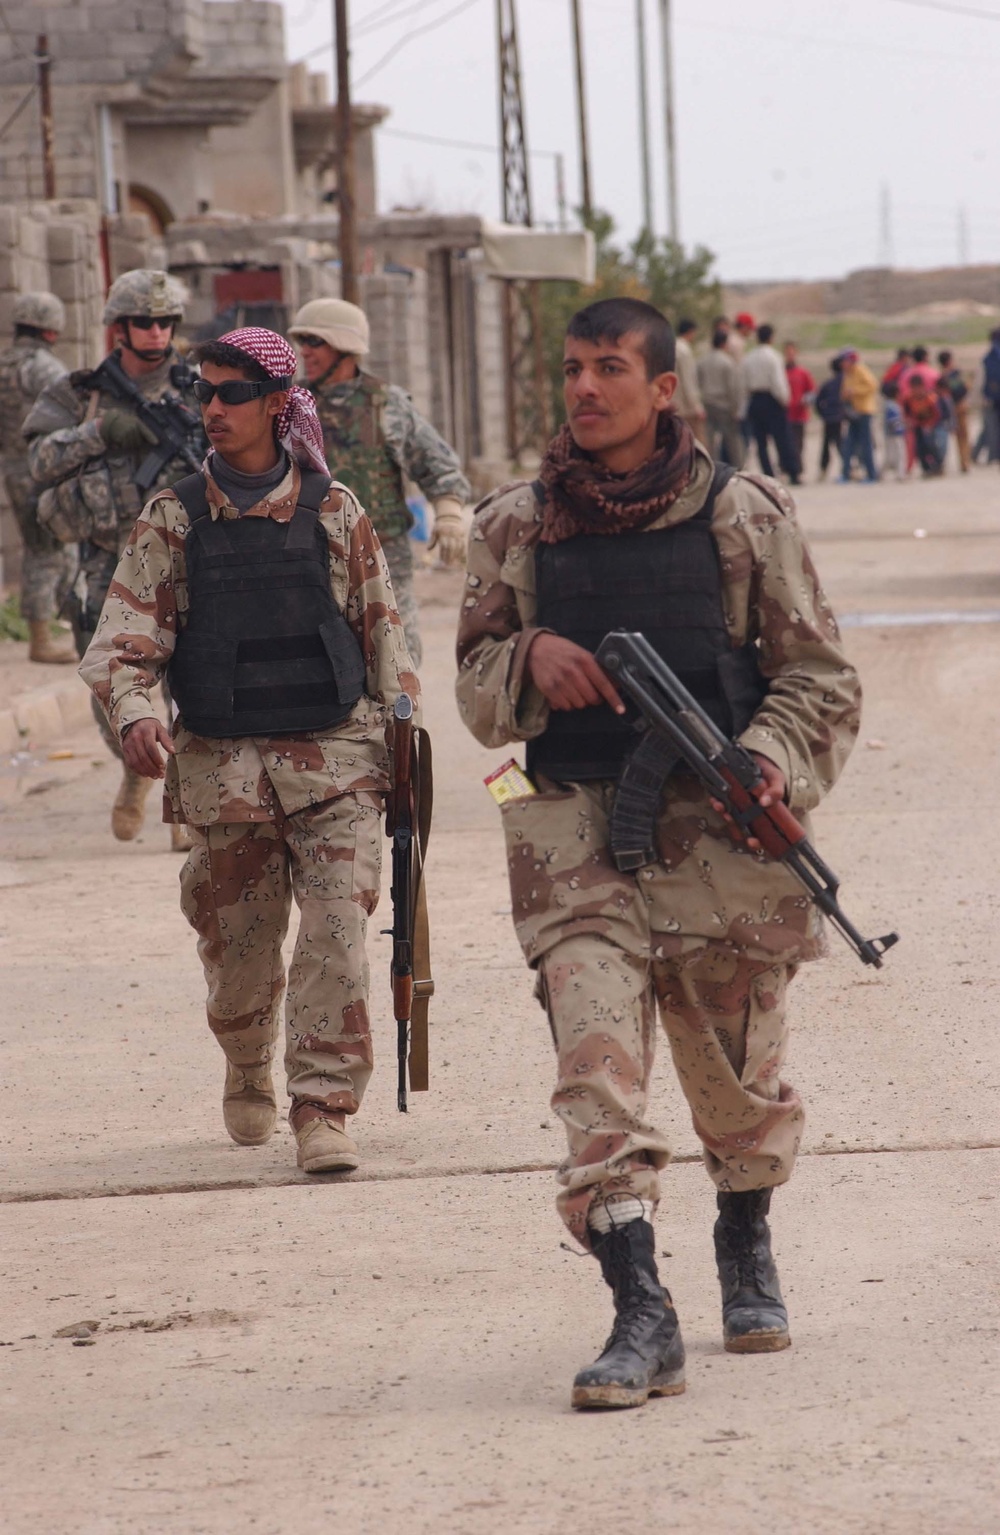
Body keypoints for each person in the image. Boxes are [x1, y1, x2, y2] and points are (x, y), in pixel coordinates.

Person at [456, 297, 861, 1412]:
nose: (586, 389)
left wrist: (769, 755)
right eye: (574, 369)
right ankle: (641, 1307)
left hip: (722, 841)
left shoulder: (744, 517)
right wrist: (529, 653)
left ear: (665, 388)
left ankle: (744, 1234)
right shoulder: (513, 529)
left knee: (736, 1083)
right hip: (573, 830)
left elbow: (820, 676)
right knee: (594, 1070)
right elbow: (477, 691)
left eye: (610, 369)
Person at [79, 327, 417, 1175]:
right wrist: (133, 713)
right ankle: (245, 1057)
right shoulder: (175, 517)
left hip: (335, 762)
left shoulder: (334, 512)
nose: (213, 409)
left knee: (339, 929)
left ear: (276, 404)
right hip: (222, 772)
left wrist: (405, 742)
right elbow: (123, 643)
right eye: (205, 393)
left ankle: (323, 1104)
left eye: (231, 394)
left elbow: (385, 636)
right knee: (239, 953)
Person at [24, 269, 204, 847]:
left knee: (192, 680)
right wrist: (100, 431)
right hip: (107, 560)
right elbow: (37, 462)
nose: (156, 331)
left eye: (165, 321)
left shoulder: (200, 386)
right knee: (107, 679)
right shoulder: (79, 393)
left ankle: (182, 796)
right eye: (143, 322)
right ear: (119, 327)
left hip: (187, 556)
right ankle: (135, 765)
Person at [287, 297, 471, 668]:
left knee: (397, 660)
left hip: (384, 559)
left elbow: (439, 466)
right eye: (302, 341)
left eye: (315, 341)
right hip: (309, 557)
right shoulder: (293, 405)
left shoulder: (387, 405)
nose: (305, 350)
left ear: (345, 348)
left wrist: (449, 516)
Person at [0, 292, 76, 663]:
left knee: (41, 546)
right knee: (48, 548)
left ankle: (51, 626)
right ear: (50, 328)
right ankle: (42, 638)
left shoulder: (4, 363)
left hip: (14, 468)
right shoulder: (45, 367)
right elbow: (73, 415)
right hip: (45, 468)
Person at [740, 323, 800, 483]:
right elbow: (778, 382)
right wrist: (784, 400)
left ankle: (768, 473)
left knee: (761, 441)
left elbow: (744, 383)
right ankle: (791, 471)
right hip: (772, 400)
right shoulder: (773, 356)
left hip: (755, 400)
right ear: (771, 338)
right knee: (782, 438)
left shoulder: (748, 357)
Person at [697, 328, 744, 467]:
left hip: (708, 402)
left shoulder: (702, 361)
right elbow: (733, 388)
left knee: (710, 440)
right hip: (724, 405)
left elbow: (697, 382)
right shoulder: (727, 362)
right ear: (724, 344)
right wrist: (736, 409)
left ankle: (711, 467)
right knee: (732, 440)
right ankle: (738, 467)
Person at [838, 349, 879, 482]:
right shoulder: (847, 373)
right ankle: (845, 473)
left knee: (865, 443)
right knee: (848, 443)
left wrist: (854, 391)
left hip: (864, 411)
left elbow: (873, 385)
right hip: (852, 412)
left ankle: (871, 474)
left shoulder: (860, 370)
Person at [783, 341, 815, 476]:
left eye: (792, 352)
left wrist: (806, 400)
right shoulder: (781, 371)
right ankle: (786, 468)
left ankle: (797, 470)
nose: (790, 355)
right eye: (787, 353)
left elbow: (812, 391)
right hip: (785, 413)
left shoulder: (802, 372)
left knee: (798, 444)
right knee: (786, 444)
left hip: (799, 414)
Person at [673, 318, 707, 445]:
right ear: (691, 332)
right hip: (687, 407)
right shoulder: (684, 350)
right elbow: (688, 380)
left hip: (675, 404)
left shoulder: (673, 346)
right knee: (697, 442)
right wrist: (697, 406)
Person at [902, 372, 943, 476]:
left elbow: (936, 414)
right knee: (920, 448)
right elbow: (907, 413)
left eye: (917, 388)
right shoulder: (909, 399)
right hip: (917, 426)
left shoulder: (930, 398)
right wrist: (909, 422)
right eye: (913, 388)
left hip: (929, 426)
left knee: (931, 446)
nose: (915, 391)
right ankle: (926, 468)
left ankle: (938, 467)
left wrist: (930, 425)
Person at [936, 351, 970, 473]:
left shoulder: (941, 376)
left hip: (950, 408)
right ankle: (965, 462)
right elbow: (963, 388)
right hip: (959, 406)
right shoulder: (954, 374)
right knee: (963, 436)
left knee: (956, 436)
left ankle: (963, 462)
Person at [815, 356, 846, 480]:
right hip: (839, 417)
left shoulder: (828, 384)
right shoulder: (845, 383)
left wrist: (822, 413)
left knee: (826, 445)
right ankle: (848, 467)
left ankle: (823, 469)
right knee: (841, 443)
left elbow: (818, 401)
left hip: (828, 418)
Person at [881, 381, 907, 481]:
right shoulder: (892, 406)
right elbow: (893, 422)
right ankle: (900, 474)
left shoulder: (888, 405)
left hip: (889, 435)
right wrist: (901, 429)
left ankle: (882, 473)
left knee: (890, 455)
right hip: (895, 435)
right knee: (898, 455)